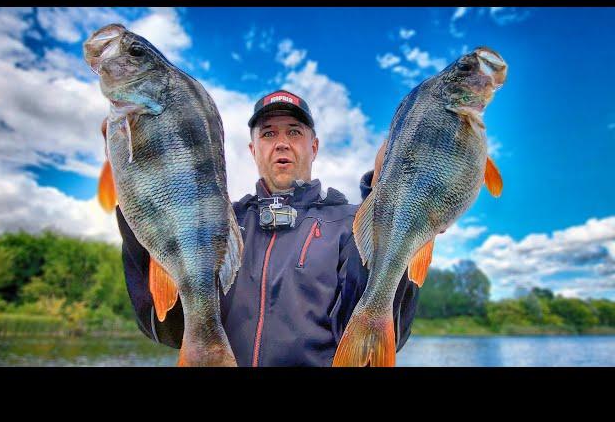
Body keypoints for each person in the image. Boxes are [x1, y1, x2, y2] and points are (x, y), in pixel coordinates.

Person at [108, 89, 420, 366]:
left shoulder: (349, 226)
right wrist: (136, 190)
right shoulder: (210, 225)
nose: (282, 143)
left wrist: (391, 208)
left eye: (294, 132)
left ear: (314, 146)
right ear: (253, 149)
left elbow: (383, 330)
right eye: (268, 134)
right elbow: (164, 325)